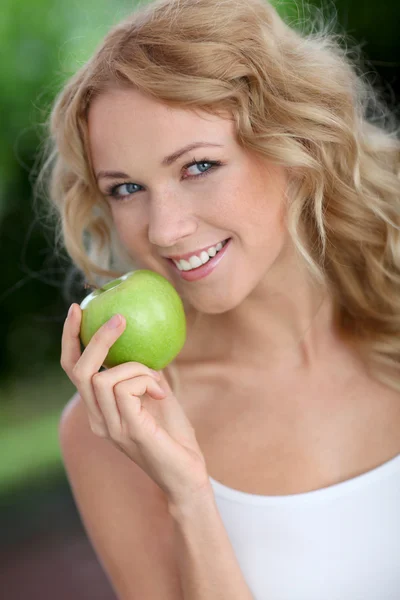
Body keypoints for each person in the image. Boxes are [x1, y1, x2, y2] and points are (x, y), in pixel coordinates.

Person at [36, 0, 400, 597]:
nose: (164, 230)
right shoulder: (120, 426)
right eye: (127, 188)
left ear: (293, 143)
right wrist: (190, 497)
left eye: (198, 165)